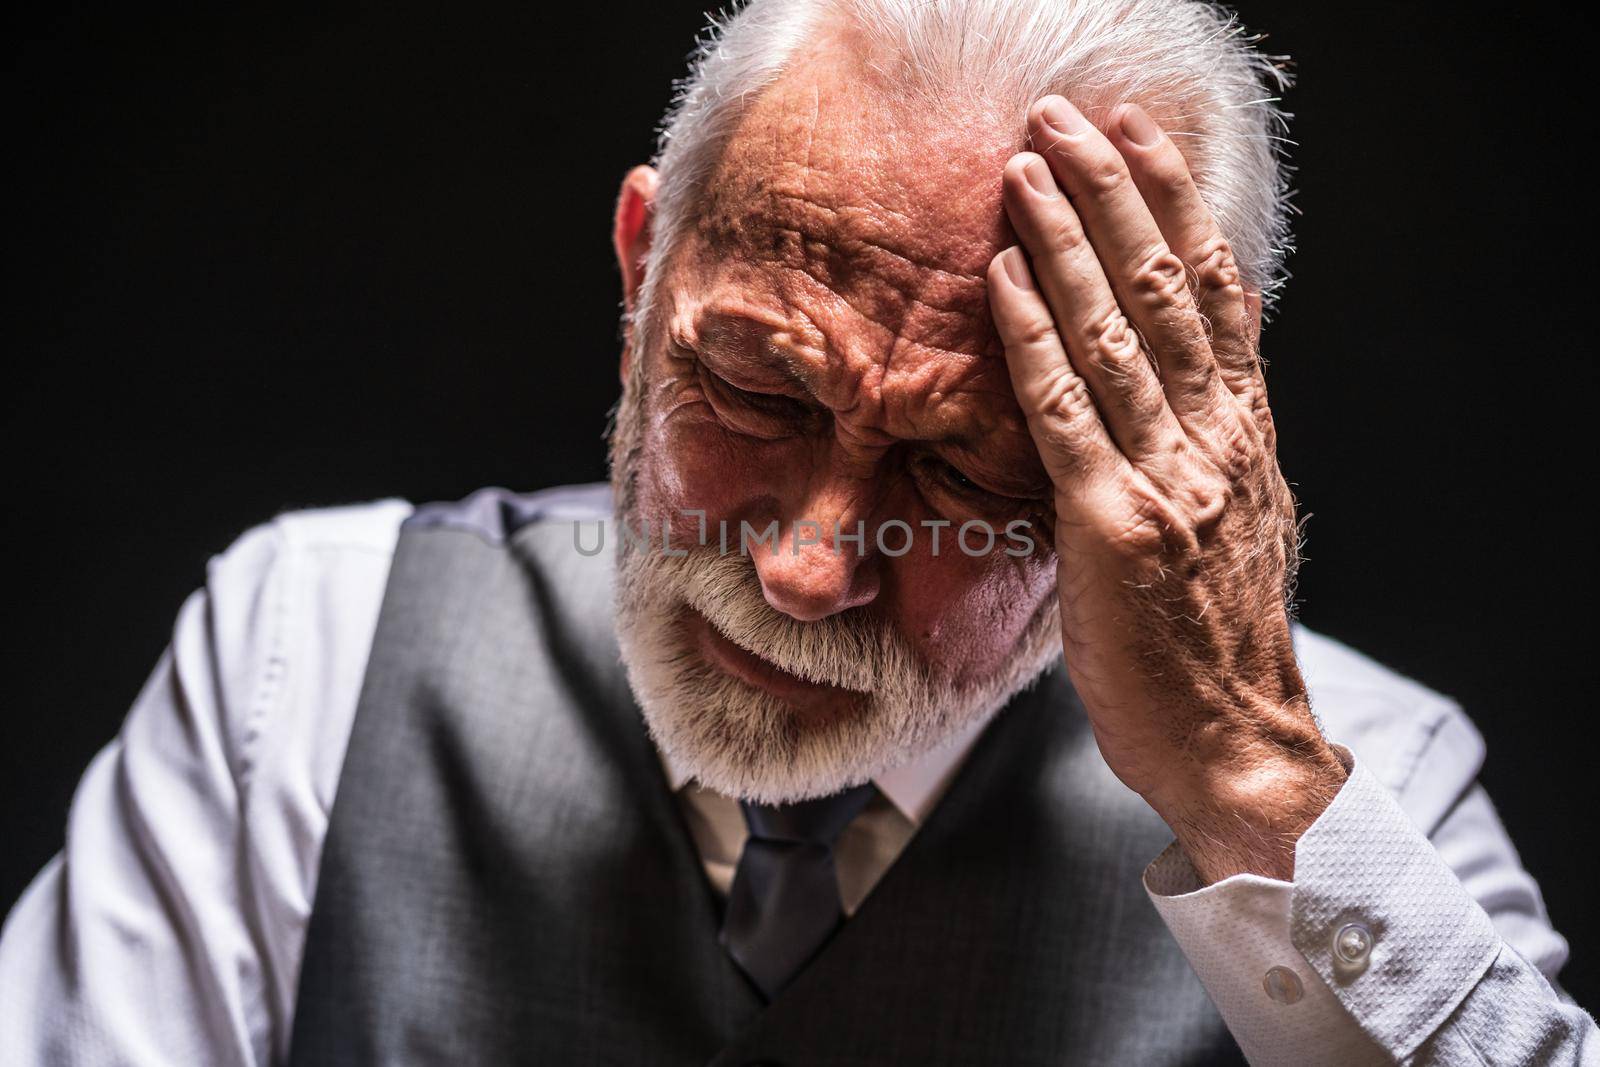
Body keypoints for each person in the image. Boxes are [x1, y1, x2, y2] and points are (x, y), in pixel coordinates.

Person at [2, 0, 1594, 1063]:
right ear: (643, 279)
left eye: (968, 478)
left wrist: (1248, 781)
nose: (806, 567)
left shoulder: (1371, 784)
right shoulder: (309, 649)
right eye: (754, 385)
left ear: (1173, 460)